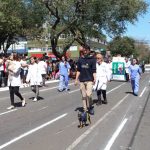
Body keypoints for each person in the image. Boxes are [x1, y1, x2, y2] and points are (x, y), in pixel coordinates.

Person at [75, 45, 96, 112]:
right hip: (82, 80)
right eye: (84, 50)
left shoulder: (92, 59)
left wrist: (95, 78)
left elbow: (94, 70)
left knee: (88, 95)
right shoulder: (80, 59)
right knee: (84, 96)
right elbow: (78, 70)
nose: (85, 51)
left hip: (90, 80)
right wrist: (76, 79)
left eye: (86, 50)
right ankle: (85, 109)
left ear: (89, 51)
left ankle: (90, 106)